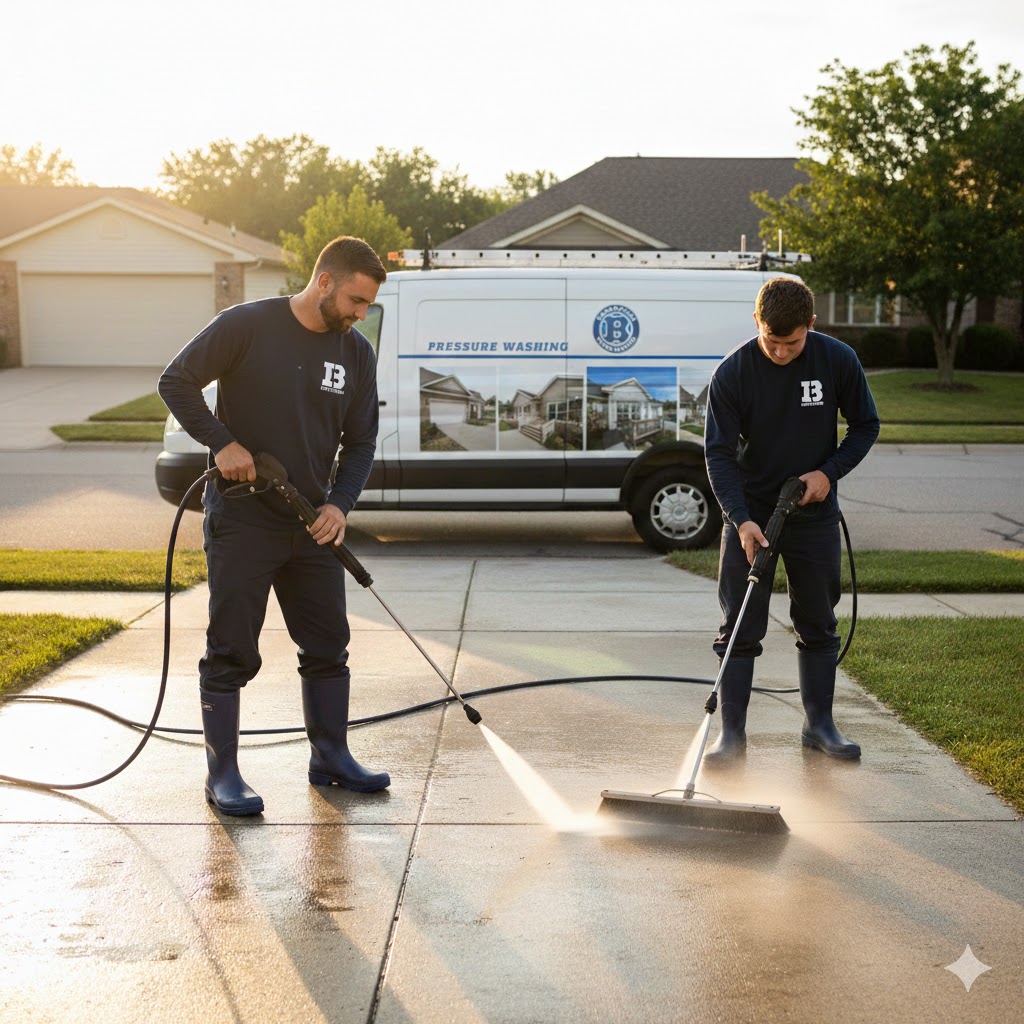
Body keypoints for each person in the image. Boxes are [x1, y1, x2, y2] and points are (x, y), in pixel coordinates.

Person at [159, 236, 390, 815]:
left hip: (313, 525)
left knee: (327, 646)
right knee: (231, 648)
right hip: (243, 521)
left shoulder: (356, 353)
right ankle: (223, 775)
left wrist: (339, 505)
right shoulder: (247, 325)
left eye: (368, 306)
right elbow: (176, 381)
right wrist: (222, 443)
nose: (361, 315)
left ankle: (330, 757)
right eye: (357, 301)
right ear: (325, 282)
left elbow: (361, 442)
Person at [703, 276, 880, 761]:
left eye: (792, 342)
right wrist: (740, 519)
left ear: (811, 325)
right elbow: (718, 454)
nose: (781, 352)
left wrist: (828, 472)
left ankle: (820, 727)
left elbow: (866, 425)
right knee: (739, 625)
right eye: (771, 341)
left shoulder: (836, 360)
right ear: (756, 321)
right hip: (751, 519)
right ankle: (732, 736)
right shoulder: (733, 373)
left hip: (814, 516)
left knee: (818, 622)